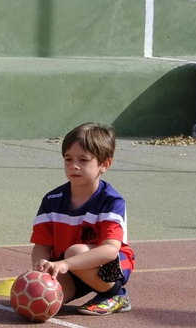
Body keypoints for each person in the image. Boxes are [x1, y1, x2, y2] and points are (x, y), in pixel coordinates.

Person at [31, 122, 133, 315]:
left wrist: (66, 264)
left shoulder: (111, 201)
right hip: (67, 266)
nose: (74, 166)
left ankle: (116, 294)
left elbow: (111, 250)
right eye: (68, 159)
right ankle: (81, 284)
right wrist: (41, 266)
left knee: (75, 251)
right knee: (36, 298)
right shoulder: (52, 200)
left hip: (108, 267)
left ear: (105, 164)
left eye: (83, 160)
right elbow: (41, 245)